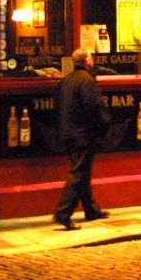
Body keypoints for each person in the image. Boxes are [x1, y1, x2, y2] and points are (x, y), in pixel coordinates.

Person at [51, 48, 112, 231]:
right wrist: (105, 123)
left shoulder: (66, 80)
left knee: (82, 171)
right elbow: (93, 108)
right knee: (78, 173)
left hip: (67, 132)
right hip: (82, 134)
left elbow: (58, 107)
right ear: (87, 61)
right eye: (91, 58)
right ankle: (63, 213)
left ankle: (91, 210)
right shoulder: (87, 80)